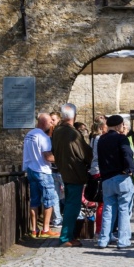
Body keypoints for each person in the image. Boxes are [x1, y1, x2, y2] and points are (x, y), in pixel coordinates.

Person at [52, 103, 93, 248]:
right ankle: (65, 237)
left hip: (65, 170)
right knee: (72, 206)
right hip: (74, 173)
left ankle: (68, 235)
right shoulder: (72, 133)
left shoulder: (57, 131)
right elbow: (84, 153)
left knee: (70, 204)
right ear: (74, 116)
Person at [96, 114, 134, 250]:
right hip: (121, 177)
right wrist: (130, 169)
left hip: (106, 178)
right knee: (124, 209)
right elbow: (127, 153)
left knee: (108, 209)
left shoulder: (101, 140)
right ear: (119, 125)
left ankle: (103, 239)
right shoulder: (121, 138)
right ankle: (123, 241)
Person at [22, 113, 60, 239]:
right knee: (49, 200)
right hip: (42, 171)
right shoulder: (43, 137)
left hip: (31, 170)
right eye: (50, 122)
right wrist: (62, 159)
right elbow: (48, 156)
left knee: (34, 200)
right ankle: (45, 229)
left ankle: (33, 229)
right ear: (44, 122)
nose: (52, 124)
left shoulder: (29, 135)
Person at [88, 117, 107, 238]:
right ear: (101, 127)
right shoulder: (100, 139)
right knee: (102, 203)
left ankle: (100, 230)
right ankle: (99, 231)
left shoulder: (93, 139)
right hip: (100, 171)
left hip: (95, 170)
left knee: (101, 203)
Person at [47, 111, 63, 229]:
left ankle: (74, 217)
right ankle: (57, 219)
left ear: (59, 120)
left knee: (68, 195)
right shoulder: (48, 134)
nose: (51, 121)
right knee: (55, 196)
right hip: (52, 170)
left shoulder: (61, 133)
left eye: (53, 119)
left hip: (63, 169)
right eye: (50, 119)